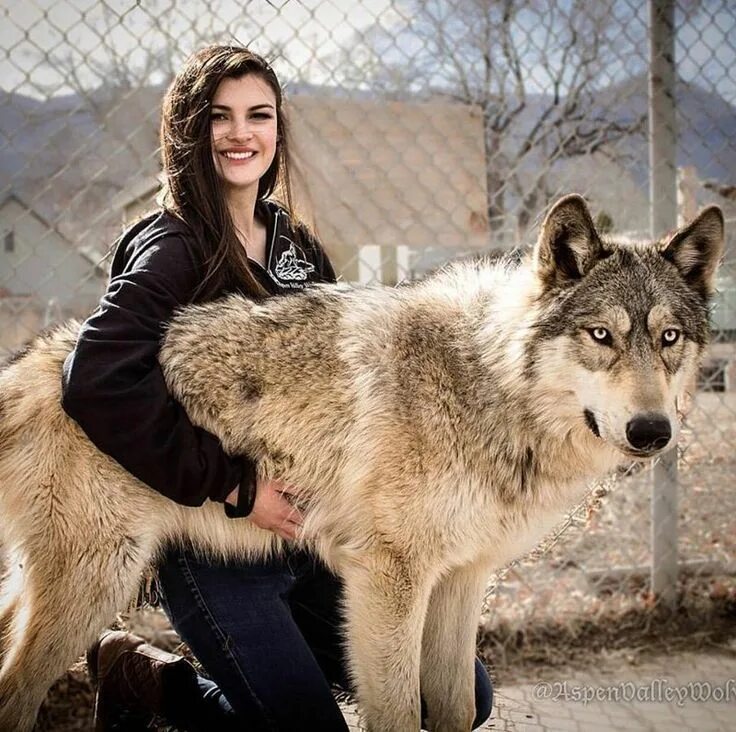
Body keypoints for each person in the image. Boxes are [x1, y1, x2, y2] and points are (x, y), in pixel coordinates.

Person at [62, 45, 493, 731]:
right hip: (217, 549)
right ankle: (150, 685)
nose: (241, 134)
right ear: (187, 132)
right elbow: (96, 381)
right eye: (219, 117)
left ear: (277, 130)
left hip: (310, 544)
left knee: (464, 696)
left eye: (258, 115)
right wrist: (234, 485)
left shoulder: (297, 247)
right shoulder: (170, 246)